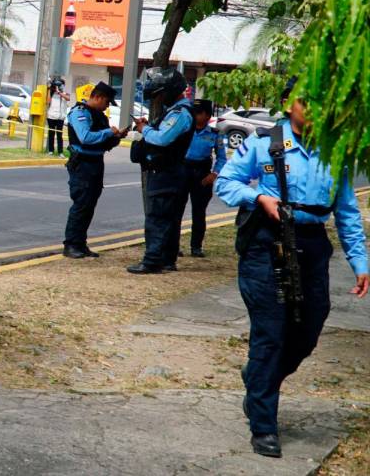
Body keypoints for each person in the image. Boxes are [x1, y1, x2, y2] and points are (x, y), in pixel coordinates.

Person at [215, 79, 368, 458]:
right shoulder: (264, 143)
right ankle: (264, 423)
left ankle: (256, 381)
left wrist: (359, 261)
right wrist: (259, 196)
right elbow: (226, 181)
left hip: (312, 244)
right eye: (306, 99)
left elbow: (346, 211)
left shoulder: (335, 153)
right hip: (268, 243)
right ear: (287, 104)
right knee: (271, 333)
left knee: (308, 330)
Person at [128, 68, 194, 275]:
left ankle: (152, 261)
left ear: (171, 91)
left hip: (167, 173)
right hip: (168, 173)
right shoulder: (175, 112)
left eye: (161, 94)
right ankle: (166, 259)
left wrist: (144, 130)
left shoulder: (180, 114)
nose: (159, 99)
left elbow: (163, 139)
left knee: (157, 218)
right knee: (168, 219)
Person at [63, 82, 128, 259]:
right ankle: (71, 245)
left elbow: (103, 143)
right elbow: (85, 137)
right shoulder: (79, 113)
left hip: (96, 162)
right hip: (82, 164)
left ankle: (80, 243)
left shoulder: (99, 116)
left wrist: (116, 137)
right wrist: (108, 133)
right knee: (81, 204)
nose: (107, 106)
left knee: (89, 205)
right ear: (97, 97)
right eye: (107, 102)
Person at [182, 99, 226, 257]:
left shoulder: (215, 134)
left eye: (198, 113)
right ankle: (172, 244)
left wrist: (214, 174)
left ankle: (196, 246)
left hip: (202, 175)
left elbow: (221, 158)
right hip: (183, 171)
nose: (195, 115)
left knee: (199, 213)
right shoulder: (185, 129)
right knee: (175, 210)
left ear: (207, 115)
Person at [46, 77, 72, 156]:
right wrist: (49, 90)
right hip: (51, 116)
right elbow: (47, 102)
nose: (59, 87)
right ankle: (51, 151)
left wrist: (60, 93)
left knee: (59, 135)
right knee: (51, 134)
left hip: (61, 117)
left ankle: (60, 152)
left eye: (61, 85)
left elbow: (68, 99)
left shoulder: (64, 92)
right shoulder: (51, 92)